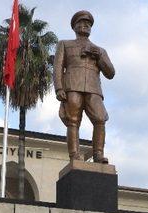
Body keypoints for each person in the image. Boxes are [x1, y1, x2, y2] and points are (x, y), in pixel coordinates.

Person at [53, 10, 115, 163]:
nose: (84, 25)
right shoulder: (65, 44)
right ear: (74, 27)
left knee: (100, 119)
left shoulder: (100, 50)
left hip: (94, 89)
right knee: (73, 121)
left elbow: (111, 73)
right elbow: (57, 68)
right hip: (72, 86)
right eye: (80, 23)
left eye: (88, 24)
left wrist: (99, 56)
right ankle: (74, 156)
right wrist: (59, 88)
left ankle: (98, 155)